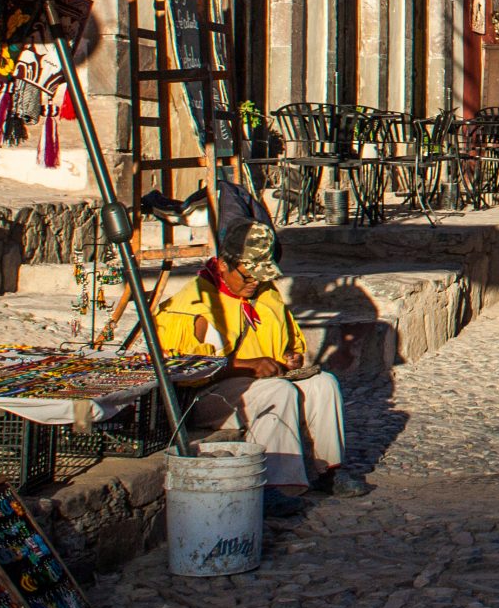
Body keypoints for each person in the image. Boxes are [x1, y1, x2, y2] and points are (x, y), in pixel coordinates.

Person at [151, 218, 366, 515]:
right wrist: (243, 366)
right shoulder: (194, 305)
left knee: (323, 383)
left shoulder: (265, 293)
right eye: (248, 275)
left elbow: (291, 340)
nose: (255, 282)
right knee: (277, 392)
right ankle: (274, 486)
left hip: (260, 383)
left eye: (260, 276)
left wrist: (291, 356)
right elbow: (182, 368)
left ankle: (329, 470)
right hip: (209, 395)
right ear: (224, 265)